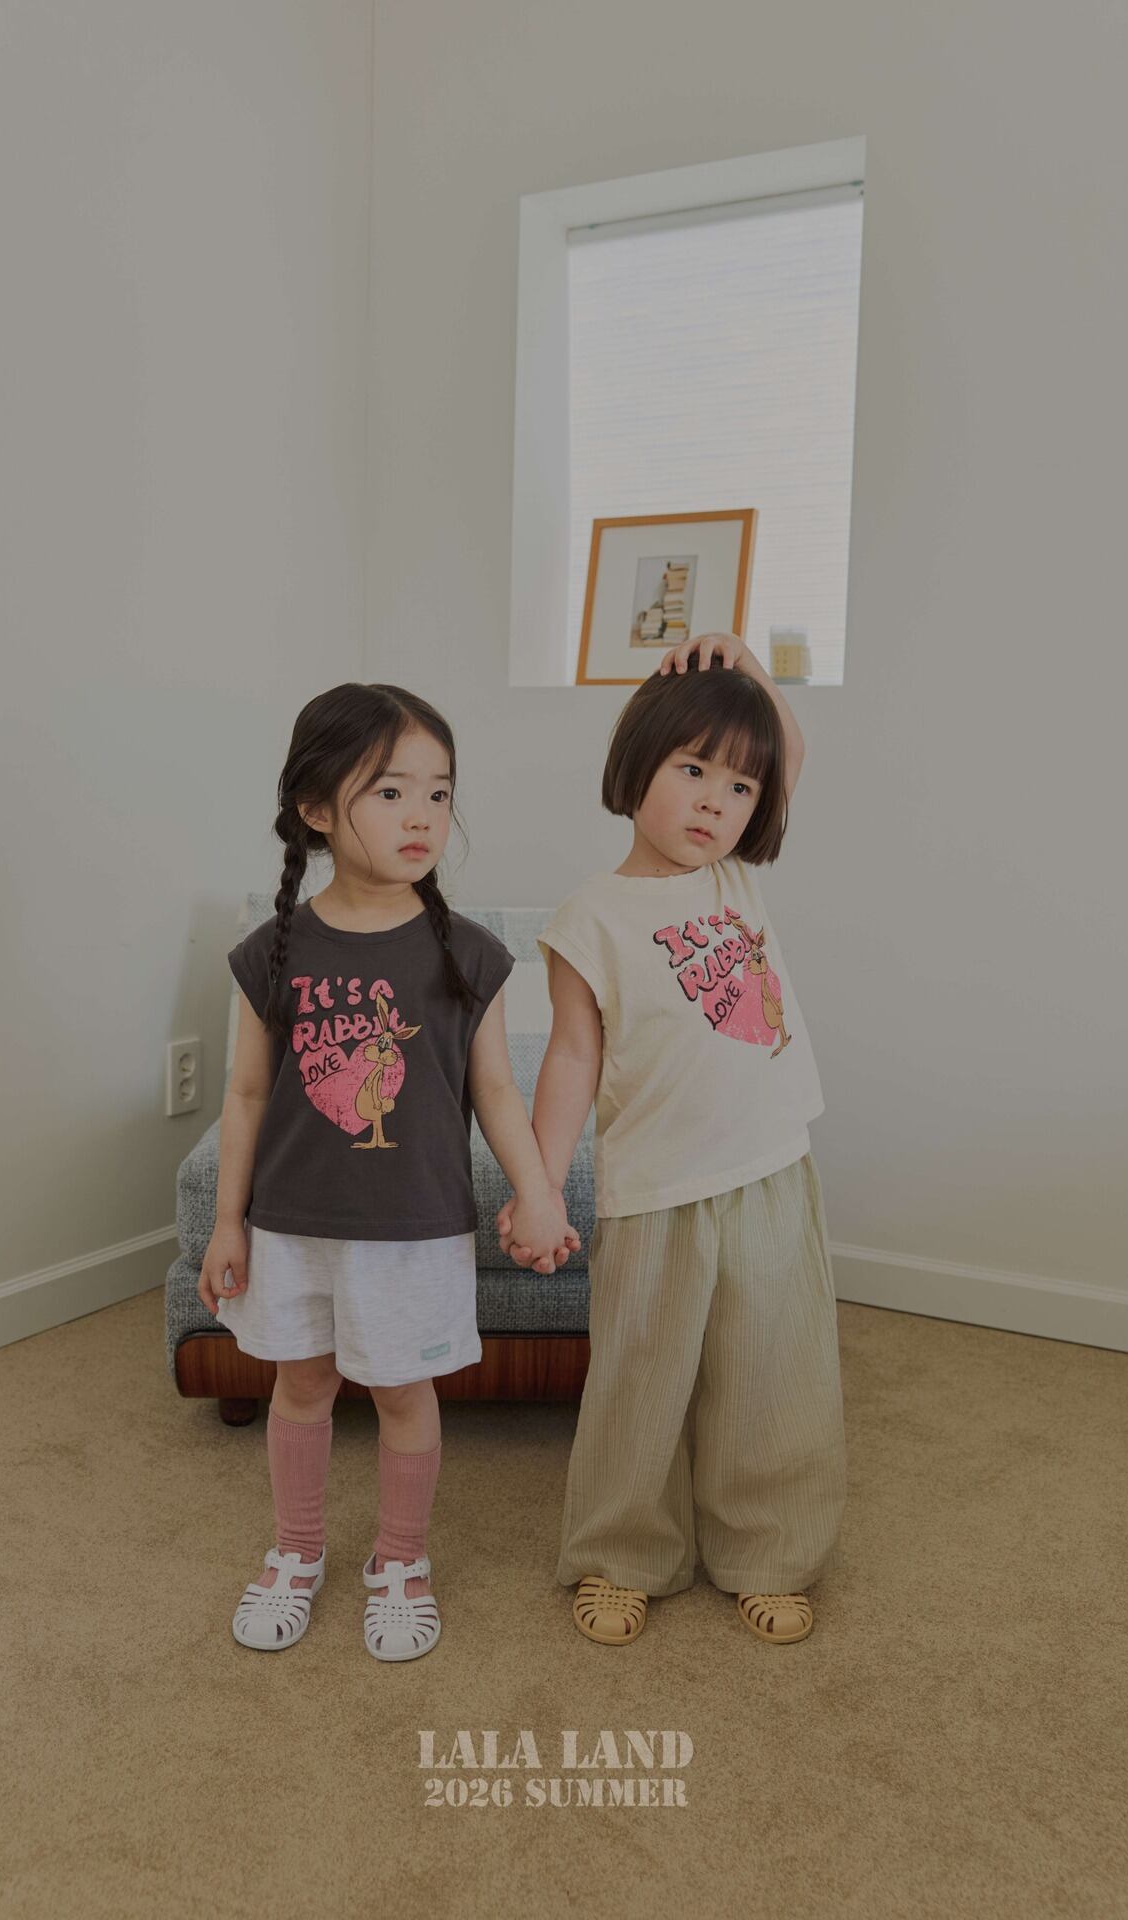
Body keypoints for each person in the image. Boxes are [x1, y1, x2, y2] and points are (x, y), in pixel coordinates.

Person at [199, 683, 577, 1659]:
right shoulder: (270, 953)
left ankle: (400, 1560)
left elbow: (495, 1091)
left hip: (415, 1229)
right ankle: (296, 1550)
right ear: (316, 809)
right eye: (390, 791)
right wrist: (228, 1221)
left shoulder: (470, 956)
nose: (421, 817)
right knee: (301, 1388)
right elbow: (246, 1095)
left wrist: (538, 1192)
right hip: (292, 1225)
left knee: (407, 1397)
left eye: (438, 794)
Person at [498, 634, 846, 1646]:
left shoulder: (733, 881)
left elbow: (791, 747)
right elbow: (571, 1056)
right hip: (655, 1191)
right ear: (638, 762)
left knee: (773, 1374)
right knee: (640, 1383)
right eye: (692, 770)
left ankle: (769, 1551)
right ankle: (622, 1553)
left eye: (739, 787)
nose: (713, 803)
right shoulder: (590, 918)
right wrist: (539, 1187)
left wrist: (745, 661)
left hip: (771, 1170)